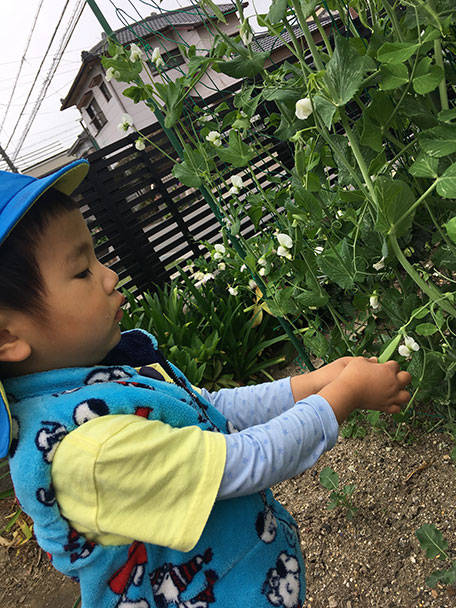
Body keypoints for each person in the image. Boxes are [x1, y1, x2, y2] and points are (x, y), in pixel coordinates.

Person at [0, 159, 411, 608]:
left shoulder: (94, 380)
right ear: (7, 336)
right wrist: (344, 396)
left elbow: (204, 407)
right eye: (82, 271)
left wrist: (312, 383)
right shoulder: (90, 452)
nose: (110, 274)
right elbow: (241, 462)